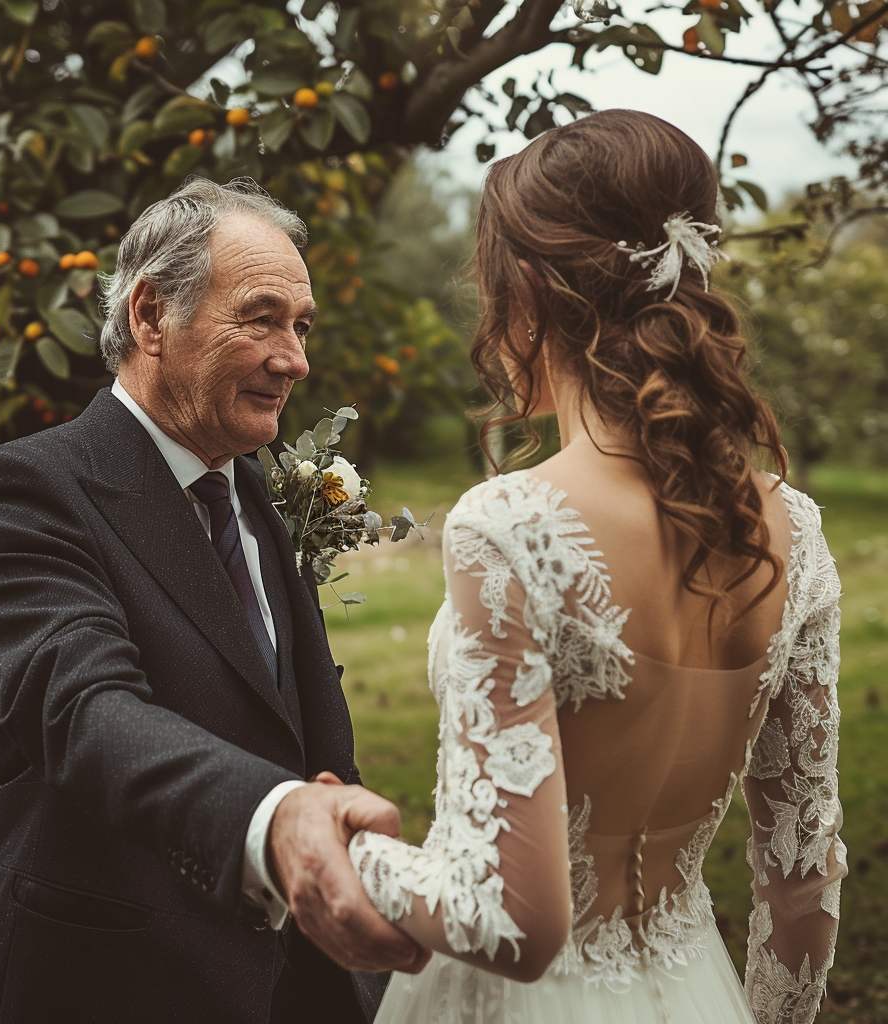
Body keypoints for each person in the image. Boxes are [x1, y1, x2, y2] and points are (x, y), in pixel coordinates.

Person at [347, 109, 847, 1024]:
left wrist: (334, 850)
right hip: (698, 995)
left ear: (530, 288)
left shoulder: (511, 524)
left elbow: (510, 917)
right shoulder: (796, 535)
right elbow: (803, 883)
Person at [0, 178, 428, 1024]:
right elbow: (85, 713)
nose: (295, 359)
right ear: (151, 316)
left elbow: (295, 726)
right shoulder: (30, 489)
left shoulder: (259, 499)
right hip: (104, 984)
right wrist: (274, 820)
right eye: (262, 316)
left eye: (301, 327)